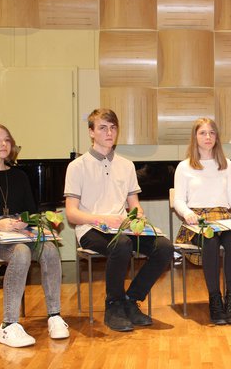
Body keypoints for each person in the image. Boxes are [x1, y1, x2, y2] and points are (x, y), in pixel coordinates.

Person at [0, 124, 69, 348]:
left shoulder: (19, 176)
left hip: (20, 234)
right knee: (21, 252)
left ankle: (54, 316)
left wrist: (34, 221)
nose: (4, 144)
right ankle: (8, 326)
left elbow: (32, 211)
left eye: (7, 139)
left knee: (49, 249)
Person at [64, 108, 174, 332]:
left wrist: (138, 216)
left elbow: (134, 204)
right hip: (90, 229)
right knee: (121, 245)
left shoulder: (126, 165)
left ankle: (131, 300)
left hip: (122, 228)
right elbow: (72, 214)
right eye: (103, 127)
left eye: (113, 127)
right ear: (91, 132)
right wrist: (102, 219)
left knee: (164, 247)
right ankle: (113, 305)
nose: (109, 132)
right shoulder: (77, 167)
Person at [173, 118, 231, 325]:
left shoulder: (227, 165)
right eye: (203, 133)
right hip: (197, 222)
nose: (208, 137)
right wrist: (187, 213)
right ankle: (215, 300)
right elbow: (179, 200)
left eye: (212, 133)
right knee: (210, 242)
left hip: (224, 218)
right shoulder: (184, 167)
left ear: (217, 137)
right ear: (195, 137)